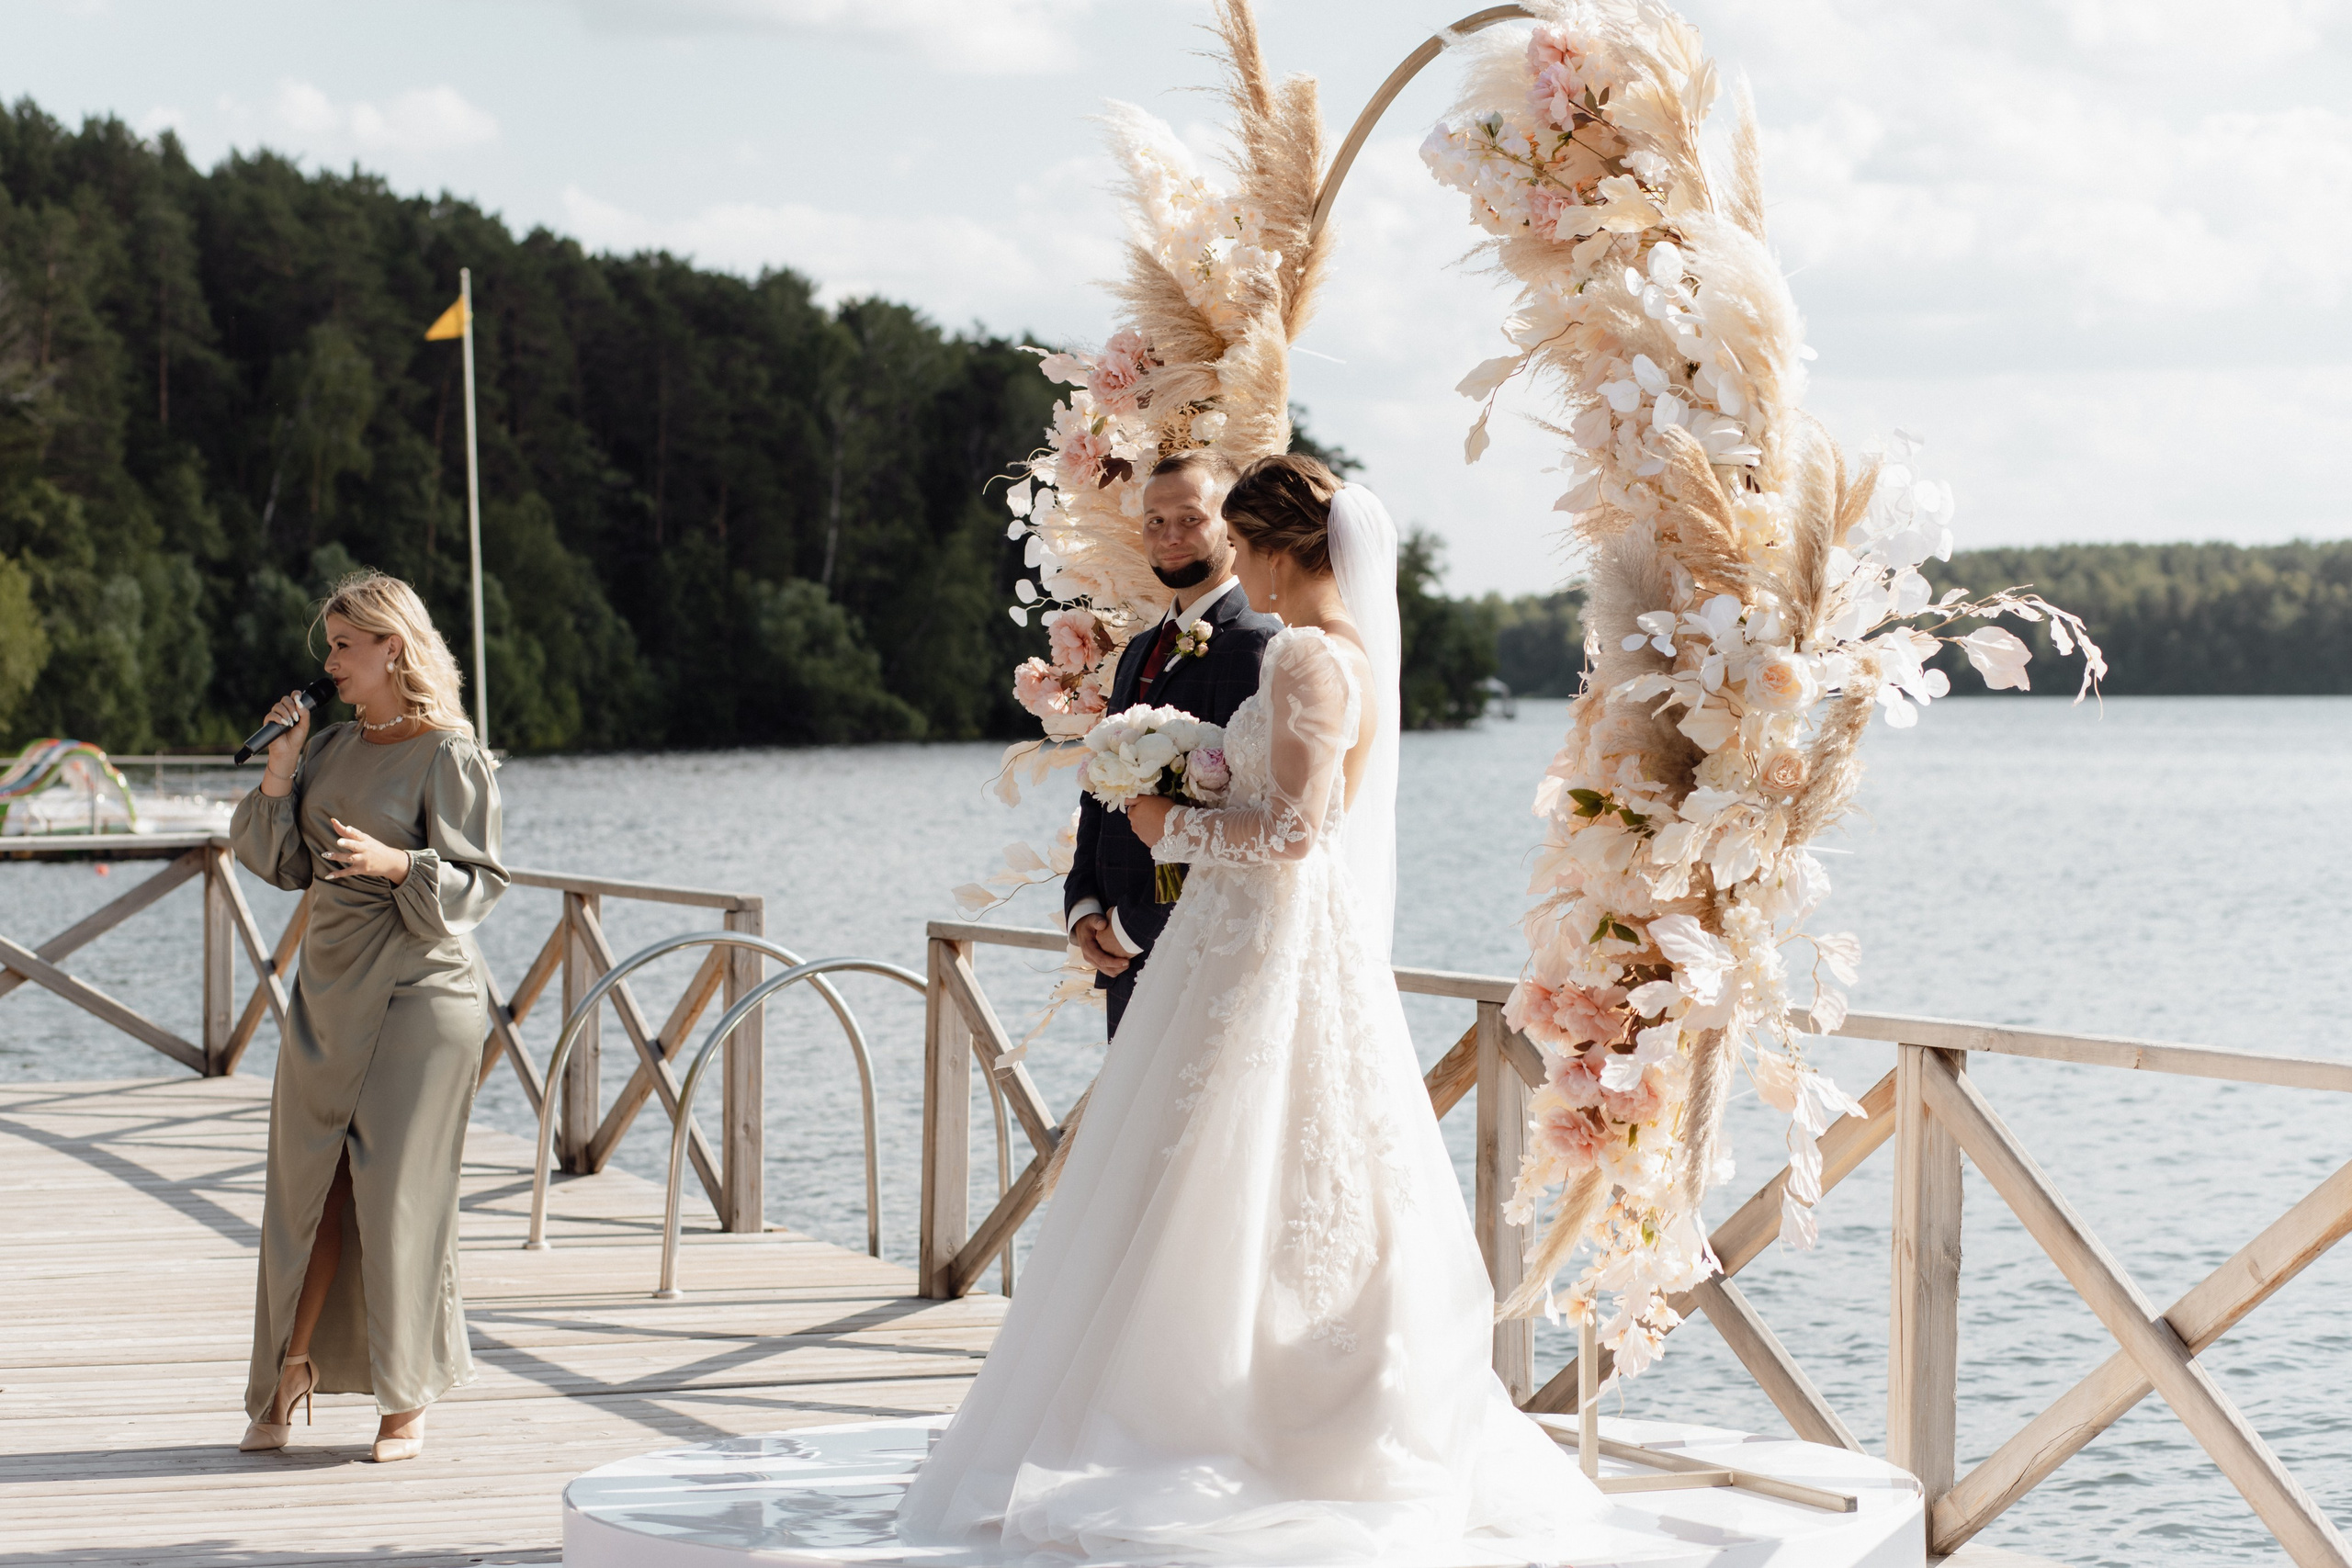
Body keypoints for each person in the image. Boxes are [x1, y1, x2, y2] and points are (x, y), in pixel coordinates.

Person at [897, 455, 1608, 1562]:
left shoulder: (1313, 657)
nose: (1242, 571)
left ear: (1279, 550)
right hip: (1256, 939)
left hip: (1264, 938)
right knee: (1262, 1160)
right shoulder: (1333, 652)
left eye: (1241, 542)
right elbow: (1284, 801)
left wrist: (1165, 827)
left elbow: (1296, 835)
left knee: (1232, 1162)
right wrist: (1192, 786)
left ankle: (1219, 1414)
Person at [231, 569, 506, 1464]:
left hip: (421, 1000)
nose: (329, 659)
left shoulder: (448, 752)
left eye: (345, 644)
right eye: (329, 644)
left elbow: (482, 884)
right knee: (309, 1194)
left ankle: (405, 1400)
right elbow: (282, 867)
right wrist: (281, 765)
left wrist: (399, 866)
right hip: (328, 995)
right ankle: (287, 1372)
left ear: (393, 647)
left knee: (395, 1197)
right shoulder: (332, 746)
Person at [1064, 449, 1282, 1032]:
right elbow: (1101, 785)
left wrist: (1134, 928)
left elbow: (1237, 814)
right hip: (1118, 946)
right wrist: (1083, 904)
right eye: (1155, 521)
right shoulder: (1138, 648)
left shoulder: (1254, 644)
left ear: (1230, 528)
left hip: (1194, 949)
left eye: (1190, 518)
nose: (1170, 536)